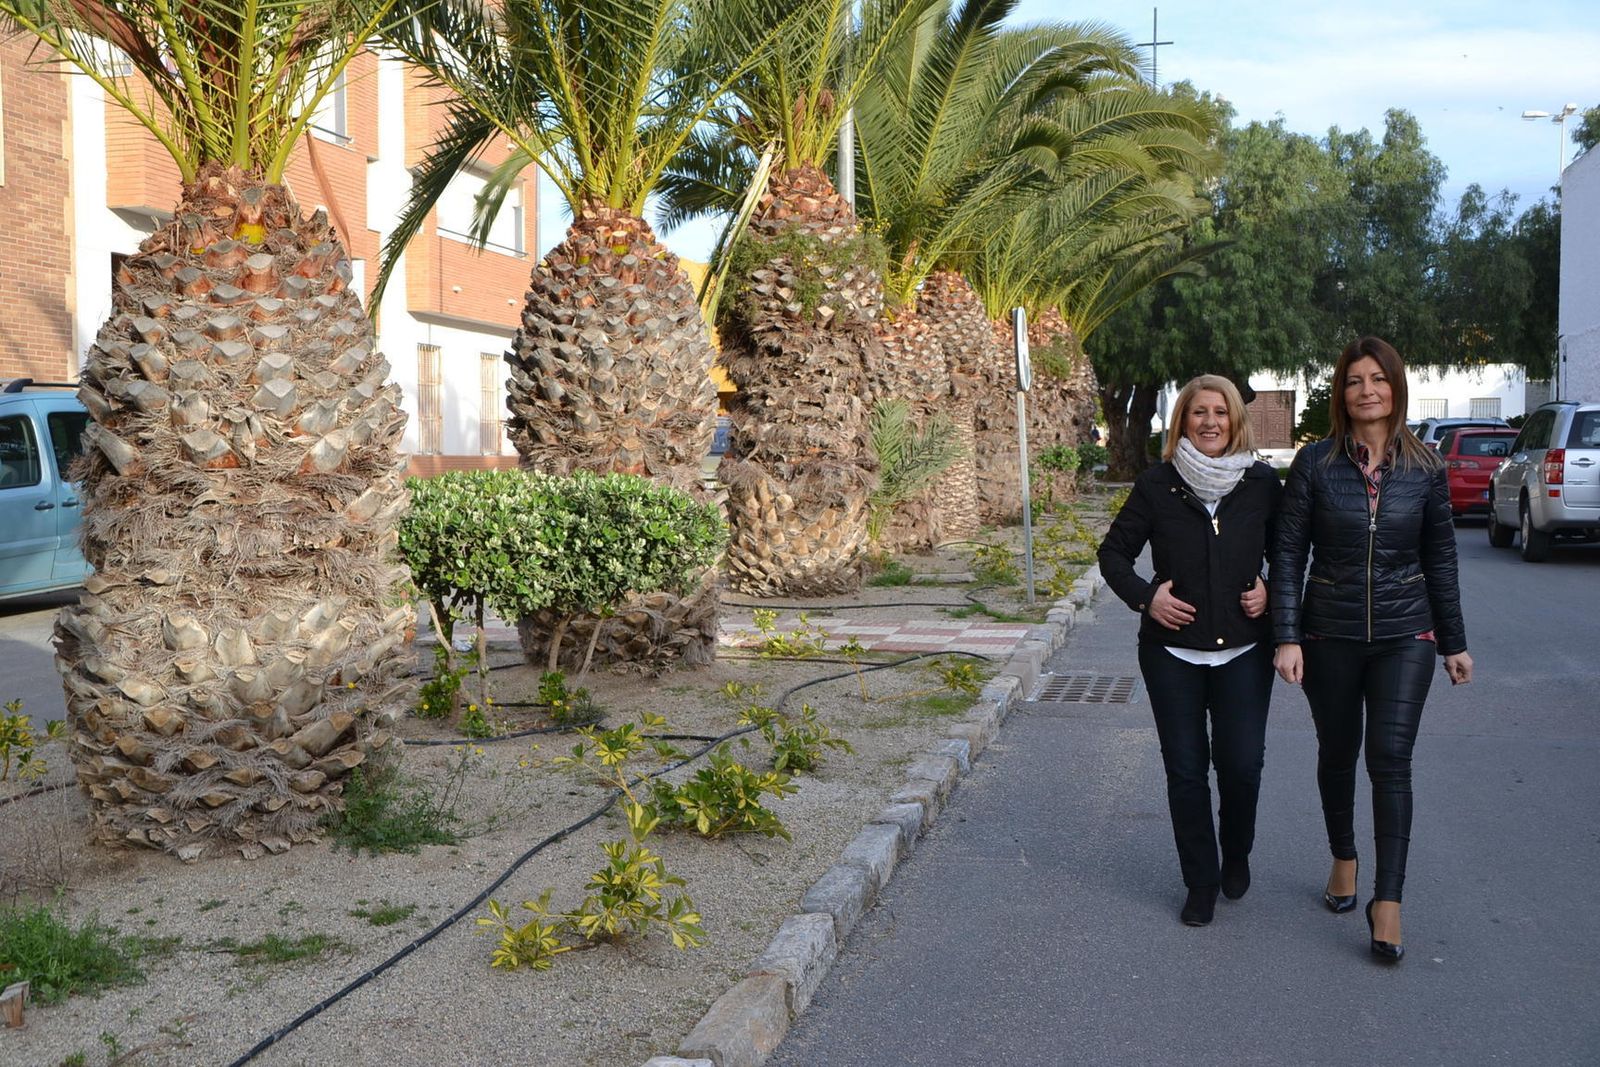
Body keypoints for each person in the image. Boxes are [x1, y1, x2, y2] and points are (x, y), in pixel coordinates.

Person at [1270, 336, 1472, 964]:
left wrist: (1454, 643)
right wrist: (1286, 635)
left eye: (1377, 379)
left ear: (1395, 388)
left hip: (1406, 633)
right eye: (1355, 380)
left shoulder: (1426, 468)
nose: (1367, 390)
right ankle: (1343, 858)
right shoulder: (1314, 464)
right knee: (1338, 750)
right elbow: (1287, 556)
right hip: (1328, 630)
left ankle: (1389, 901)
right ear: (1342, 392)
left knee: (1390, 758)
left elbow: (1440, 558)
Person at [1098, 375, 1282, 927]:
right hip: (1171, 653)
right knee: (1185, 771)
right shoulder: (1158, 484)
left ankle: (1238, 851)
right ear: (1183, 421)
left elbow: (1291, 553)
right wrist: (1147, 597)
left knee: (1242, 766)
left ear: (1235, 421)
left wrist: (1271, 590)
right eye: (1198, 412)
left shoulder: (1261, 483)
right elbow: (1113, 555)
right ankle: (1199, 881)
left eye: (1219, 412)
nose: (1209, 422)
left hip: (1245, 653)